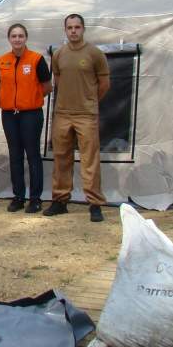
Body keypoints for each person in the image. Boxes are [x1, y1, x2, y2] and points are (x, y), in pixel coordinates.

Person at [47, 13, 110, 222]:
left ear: (83, 29)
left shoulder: (95, 54)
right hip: (62, 113)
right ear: (65, 30)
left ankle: (94, 203)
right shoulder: (58, 54)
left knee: (89, 159)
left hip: (86, 114)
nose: (73, 31)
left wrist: (90, 101)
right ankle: (60, 200)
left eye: (77, 27)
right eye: (70, 27)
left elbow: (104, 84)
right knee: (61, 158)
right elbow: (57, 80)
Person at [0, 24, 52, 214]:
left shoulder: (36, 59)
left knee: (33, 155)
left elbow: (47, 86)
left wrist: (32, 99)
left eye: (21, 36)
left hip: (31, 114)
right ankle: (18, 196)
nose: (17, 39)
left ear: (26, 38)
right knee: (15, 155)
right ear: (9, 39)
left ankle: (35, 198)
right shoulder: (2, 61)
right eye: (14, 36)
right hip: (9, 115)